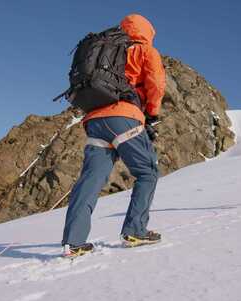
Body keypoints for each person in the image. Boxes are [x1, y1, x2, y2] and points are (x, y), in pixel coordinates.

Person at [62, 14, 166, 256]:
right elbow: (156, 83)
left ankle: (73, 241)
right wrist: (151, 113)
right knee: (147, 172)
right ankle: (135, 230)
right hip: (124, 118)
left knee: (90, 179)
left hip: (94, 120)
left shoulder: (108, 47)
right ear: (147, 31)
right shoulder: (145, 50)